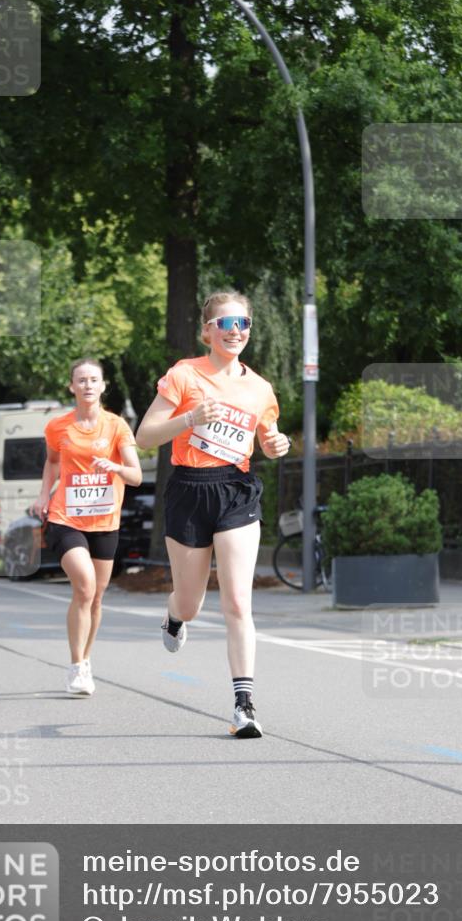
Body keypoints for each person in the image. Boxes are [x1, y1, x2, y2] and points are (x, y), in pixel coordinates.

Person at [135, 292, 290, 738]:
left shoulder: (259, 388)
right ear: (207, 331)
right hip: (188, 490)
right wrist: (189, 419)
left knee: (238, 600)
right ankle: (175, 616)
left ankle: (244, 704)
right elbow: (145, 436)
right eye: (226, 323)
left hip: (236, 491)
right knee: (191, 601)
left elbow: (268, 437)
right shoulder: (185, 376)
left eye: (243, 322)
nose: (236, 330)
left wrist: (276, 445)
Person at [32, 359, 141, 696]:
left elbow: (136, 475)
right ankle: (76, 666)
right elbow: (52, 462)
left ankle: (87, 659)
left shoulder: (116, 426)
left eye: (94, 380)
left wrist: (116, 467)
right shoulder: (58, 427)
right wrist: (43, 496)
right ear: (72, 387)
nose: (88, 385)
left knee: (96, 597)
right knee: (84, 585)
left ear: (103, 386)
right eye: (81, 380)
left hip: (105, 519)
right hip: (66, 517)